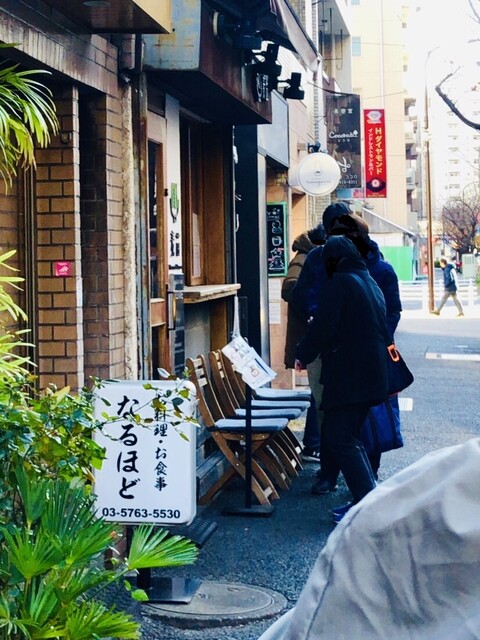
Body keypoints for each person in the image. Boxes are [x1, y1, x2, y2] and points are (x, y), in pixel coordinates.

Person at [295, 236, 390, 522]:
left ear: (333, 260)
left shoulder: (340, 283)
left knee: (339, 436)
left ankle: (366, 504)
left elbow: (324, 326)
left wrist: (303, 353)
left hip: (350, 374)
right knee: (348, 436)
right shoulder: (368, 280)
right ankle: (366, 500)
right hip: (373, 372)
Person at [281, 223, 326, 463]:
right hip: (308, 333)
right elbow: (289, 288)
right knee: (318, 390)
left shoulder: (310, 256)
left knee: (318, 390)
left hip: (311, 333)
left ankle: (314, 443)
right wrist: (312, 307)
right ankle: (313, 444)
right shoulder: (304, 258)